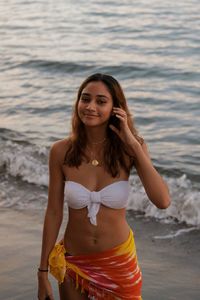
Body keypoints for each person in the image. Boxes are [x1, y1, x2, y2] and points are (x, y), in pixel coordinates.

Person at [37, 73, 171, 300]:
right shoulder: (60, 151)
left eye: (101, 101)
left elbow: (163, 201)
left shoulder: (130, 149)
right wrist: (42, 272)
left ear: (116, 108)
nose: (90, 106)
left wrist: (134, 146)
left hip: (119, 263)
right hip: (74, 264)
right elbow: (53, 212)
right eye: (85, 98)